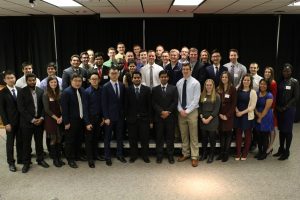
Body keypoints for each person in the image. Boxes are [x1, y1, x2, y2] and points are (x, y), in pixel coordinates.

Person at [17, 73, 49, 173]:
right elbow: (21, 108)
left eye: (33, 80)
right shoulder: (22, 92)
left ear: (36, 80)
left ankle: (40, 160)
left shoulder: (41, 91)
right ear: (27, 81)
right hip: (27, 123)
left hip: (39, 121)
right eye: (30, 80)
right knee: (26, 144)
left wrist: (42, 118)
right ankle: (26, 163)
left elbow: (44, 107)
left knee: (39, 142)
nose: (32, 82)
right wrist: (32, 119)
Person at [61, 74, 90, 169]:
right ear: (71, 81)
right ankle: (70, 159)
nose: (77, 83)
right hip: (71, 121)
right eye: (75, 81)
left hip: (81, 120)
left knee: (79, 139)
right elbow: (64, 109)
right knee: (70, 141)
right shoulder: (66, 92)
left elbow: (85, 106)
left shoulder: (83, 91)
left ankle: (78, 155)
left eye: (79, 81)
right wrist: (66, 122)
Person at [176, 63, 201, 167]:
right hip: (181, 112)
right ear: (182, 71)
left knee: (193, 135)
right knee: (184, 135)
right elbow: (177, 99)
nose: (185, 71)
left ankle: (195, 157)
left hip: (192, 112)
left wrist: (187, 111)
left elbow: (196, 99)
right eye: (184, 69)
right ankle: (185, 153)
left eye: (187, 69)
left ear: (191, 71)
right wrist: (180, 110)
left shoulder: (196, 83)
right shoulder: (179, 83)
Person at [274, 63, 299, 160]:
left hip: (289, 110)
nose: (286, 72)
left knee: (287, 131)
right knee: (281, 130)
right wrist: (277, 106)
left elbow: (296, 97)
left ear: (291, 71)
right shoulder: (280, 81)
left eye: (288, 71)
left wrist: (286, 107)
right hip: (279, 109)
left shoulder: (294, 82)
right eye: (284, 71)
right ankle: (281, 149)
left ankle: (287, 151)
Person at [102, 67, 127, 166]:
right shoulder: (105, 86)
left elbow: (123, 102)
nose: (114, 75)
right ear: (109, 74)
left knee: (120, 137)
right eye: (112, 73)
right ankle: (107, 157)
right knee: (107, 137)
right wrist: (106, 117)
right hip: (109, 118)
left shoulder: (121, 85)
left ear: (118, 74)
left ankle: (119, 154)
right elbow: (103, 104)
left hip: (120, 117)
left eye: (116, 73)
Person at [152, 70, 178, 164]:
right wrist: (161, 112)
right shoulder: (154, 89)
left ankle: (170, 156)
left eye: (165, 77)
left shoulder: (173, 88)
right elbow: (153, 103)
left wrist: (168, 112)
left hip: (170, 117)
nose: (164, 78)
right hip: (159, 117)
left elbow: (175, 102)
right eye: (162, 77)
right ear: (159, 78)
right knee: (159, 137)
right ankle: (159, 156)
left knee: (170, 137)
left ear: (168, 78)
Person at [125, 71, 152, 163]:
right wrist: (126, 117)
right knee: (133, 139)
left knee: (144, 139)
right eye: (135, 78)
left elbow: (149, 106)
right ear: (132, 79)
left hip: (144, 119)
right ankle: (133, 156)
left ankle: (145, 156)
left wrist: (150, 120)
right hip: (131, 119)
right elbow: (126, 105)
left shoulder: (147, 90)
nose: (137, 79)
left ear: (141, 79)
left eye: (138, 78)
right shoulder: (128, 90)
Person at [0, 71, 23, 172]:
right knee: (10, 144)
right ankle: (11, 163)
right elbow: (2, 110)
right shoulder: (2, 92)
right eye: (8, 78)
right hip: (10, 123)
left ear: (15, 78)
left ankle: (21, 158)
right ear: (5, 80)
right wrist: (6, 123)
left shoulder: (20, 90)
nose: (11, 79)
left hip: (21, 121)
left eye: (12, 77)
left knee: (20, 141)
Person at [42, 76, 65, 167]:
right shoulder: (46, 94)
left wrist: (62, 117)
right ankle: (55, 159)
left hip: (60, 118)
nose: (53, 84)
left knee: (59, 139)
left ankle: (59, 158)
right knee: (53, 139)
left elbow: (63, 106)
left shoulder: (60, 93)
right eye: (51, 82)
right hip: (51, 119)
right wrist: (57, 118)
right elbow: (47, 110)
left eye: (55, 82)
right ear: (48, 84)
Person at [85, 73, 105, 168]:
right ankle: (90, 159)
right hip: (90, 120)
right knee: (89, 140)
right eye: (92, 79)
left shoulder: (102, 90)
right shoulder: (86, 92)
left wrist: (103, 118)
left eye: (96, 79)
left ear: (99, 80)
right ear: (89, 80)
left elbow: (103, 105)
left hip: (99, 119)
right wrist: (87, 123)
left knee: (96, 139)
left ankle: (96, 155)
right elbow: (84, 109)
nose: (94, 80)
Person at [235, 74, 257, 161]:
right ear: (242, 81)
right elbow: (234, 102)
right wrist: (237, 111)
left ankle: (245, 153)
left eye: (248, 80)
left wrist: (241, 113)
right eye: (245, 80)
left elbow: (252, 107)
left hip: (247, 116)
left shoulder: (253, 92)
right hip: (238, 115)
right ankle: (238, 152)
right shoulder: (237, 90)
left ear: (250, 82)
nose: (246, 82)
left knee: (248, 135)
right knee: (238, 135)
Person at [216, 71, 237, 162]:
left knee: (228, 134)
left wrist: (227, 116)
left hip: (229, 116)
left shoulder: (232, 89)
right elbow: (216, 103)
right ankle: (221, 153)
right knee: (221, 134)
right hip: (220, 115)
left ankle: (226, 153)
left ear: (229, 78)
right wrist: (219, 114)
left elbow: (234, 104)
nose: (224, 79)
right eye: (223, 77)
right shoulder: (218, 88)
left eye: (226, 77)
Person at [199, 79, 220, 163]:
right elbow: (199, 108)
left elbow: (216, 110)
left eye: (210, 85)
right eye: (207, 85)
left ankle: (211, 155)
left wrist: (208, 119)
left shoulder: (217, 96)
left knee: (212, 139)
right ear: (205, 86)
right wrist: (202, 118)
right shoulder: (202, 95)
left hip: (212, 121)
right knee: (204, 138)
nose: (208, 86)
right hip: (203, 120)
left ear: (213, 86)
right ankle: (204, 154)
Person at [254, 79, 273, 160]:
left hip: (265, 116)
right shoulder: (257, 93)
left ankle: (264, 153)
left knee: (264, 136)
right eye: (261, 84)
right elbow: (253, 105)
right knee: (258, 136)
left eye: (264, 84)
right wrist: (257, 114)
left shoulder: (269, 95)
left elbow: (266, 108)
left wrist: (260, 117)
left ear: (267, 86)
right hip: (257, 114)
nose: (262, 85)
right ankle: (260, 151)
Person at [263, 66, 277, 154]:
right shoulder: (265, 82)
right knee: (267, 128)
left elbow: (274, 97)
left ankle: (271, 145)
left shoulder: (272, 83)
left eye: (269, 72)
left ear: (272, 74)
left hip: (271, 109)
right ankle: (268, 145)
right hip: (266, 108)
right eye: (266, 72)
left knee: (272, 128)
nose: (267, 73)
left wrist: (271, 109)